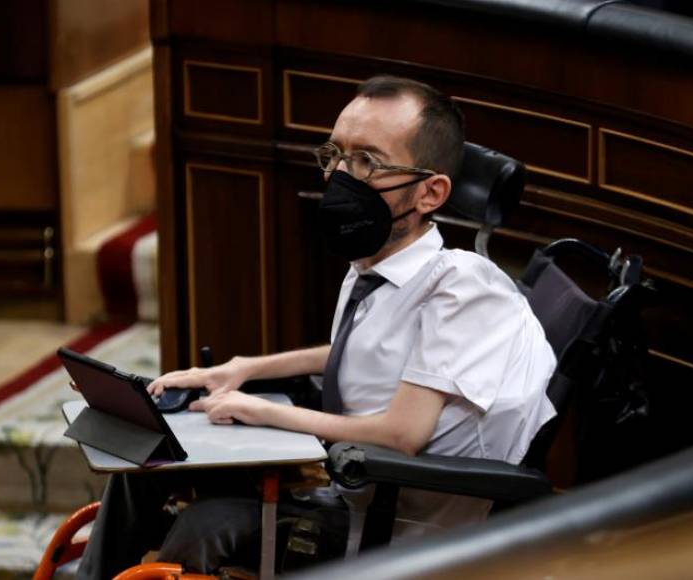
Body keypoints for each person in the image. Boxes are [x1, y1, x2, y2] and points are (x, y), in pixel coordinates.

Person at [76, 75, 557, 578]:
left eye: (366, 161)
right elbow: (367, 352)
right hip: (346, 487)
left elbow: (401, 435)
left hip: (396, 531)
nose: (340, 176)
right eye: (335, 154)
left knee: (206, 523)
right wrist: (242, 369)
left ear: (429, 192)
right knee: (149, 462)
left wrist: (263, 411)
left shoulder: (462, 287)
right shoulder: (374, 264)